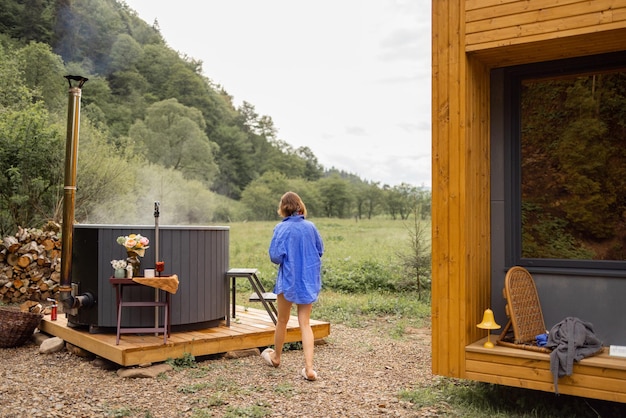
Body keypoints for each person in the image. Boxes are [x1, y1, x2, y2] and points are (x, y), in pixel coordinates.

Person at [261, 191, 324, 381]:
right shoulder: (311, 227)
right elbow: (320, 250)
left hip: (288, 279)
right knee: (305, 323)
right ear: (300, 206)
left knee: (282, 320)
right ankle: (309, 369)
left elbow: (275, 257)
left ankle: (276, 357)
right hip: (308, 280)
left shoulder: (281, 229)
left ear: (283, 208)